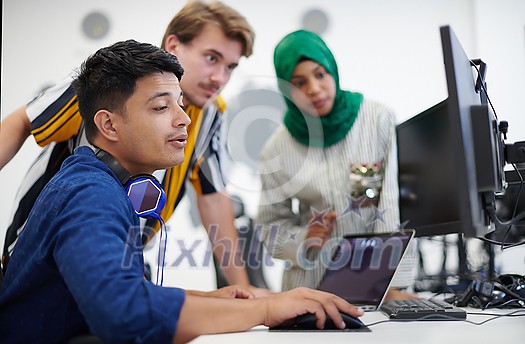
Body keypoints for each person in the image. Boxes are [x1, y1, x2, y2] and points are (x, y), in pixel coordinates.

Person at [0, 39, 364, 343]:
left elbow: (122, 288)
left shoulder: (106, 185)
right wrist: (265, 310)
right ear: (108, 124)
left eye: (179, 104)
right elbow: (124, 313)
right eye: (161, 107)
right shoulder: (90, 194)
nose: (184, 119)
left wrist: (221, 299)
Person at [0, 0, 264, 294]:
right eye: (212, 59)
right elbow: (23, 121)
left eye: (230, 67)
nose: (220, 78)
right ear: (174, 46)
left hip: (120, 256)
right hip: (43, 252)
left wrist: (244, 292)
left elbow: (213, 198)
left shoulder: (213, 112)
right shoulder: (114, 81)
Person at [257, 30, 417, 298]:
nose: (314, 89)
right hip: (309, 286)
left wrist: (391, 284)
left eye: (320, 74)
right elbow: (269, 226)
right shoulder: (276, 149)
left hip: (375, 284)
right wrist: (303, 237)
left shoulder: (377, 120)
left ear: (333, 70)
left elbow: (390, 204)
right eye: (298, 83)